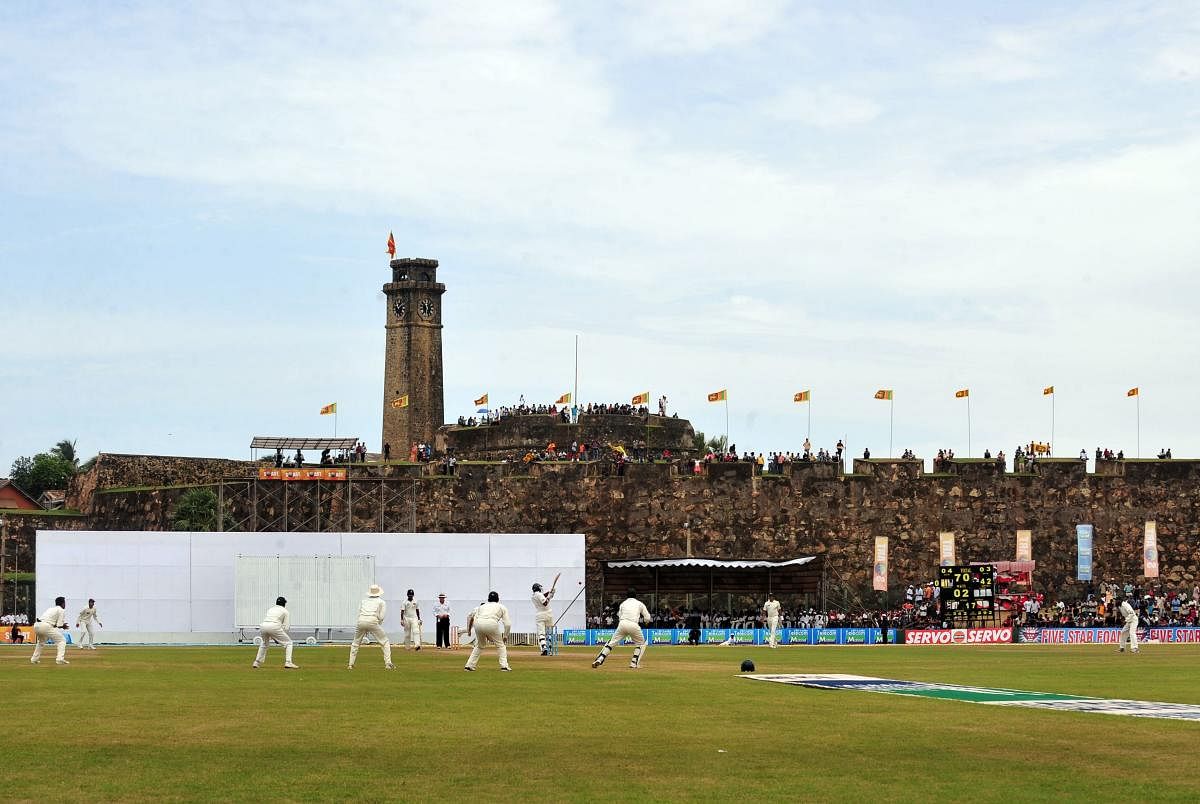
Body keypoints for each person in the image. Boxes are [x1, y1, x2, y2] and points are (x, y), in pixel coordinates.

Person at [592, 589, 651, 670]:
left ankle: (600, 658)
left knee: (611, 643)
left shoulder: (623, 604)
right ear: (635, 595)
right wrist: (646, 622)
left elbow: (619, 615)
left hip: (622, 624)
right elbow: (647, 617)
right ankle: (634, 663)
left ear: (627, 596)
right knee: (641, 644)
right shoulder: (640, 604)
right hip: (633, 624)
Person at [349, 584, 394, 670]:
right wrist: (376, 623)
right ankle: (388, 663)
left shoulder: (363, 601)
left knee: (355, 643)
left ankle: (350, 664)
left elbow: (359, 613)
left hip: (361, 621)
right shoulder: (381, 602)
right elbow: (381, 617)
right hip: (372, 621)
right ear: (379, 592)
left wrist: (364, 626)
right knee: (385, 642)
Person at [464, 591, 511, 671]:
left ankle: (469, 665)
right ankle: (504, 666)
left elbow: (471, 617)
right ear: (498, 599)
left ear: (488, 599)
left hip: (478, 623)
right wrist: (505, 636)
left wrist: (469, 630)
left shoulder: (481, 607)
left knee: (480, 645)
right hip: (491, 623)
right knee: (500, 645)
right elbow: (507, 624)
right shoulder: (501, 607)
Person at [253, 596, 299, 669]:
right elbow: (286, 627)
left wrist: (276, 638)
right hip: (274, 626)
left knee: (264, 644)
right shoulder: (285, 611)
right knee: (289, 643)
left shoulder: (270, 609)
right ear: (284, 604)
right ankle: (288, 662)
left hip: (263, 626)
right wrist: (279, 638)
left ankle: (256, 662)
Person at [31, 595, 70, 665]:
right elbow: (59, 625)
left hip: (37, 625)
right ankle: (60, 659)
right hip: (45, 626)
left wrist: (60, 626)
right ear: (62, 603)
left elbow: (51, 623)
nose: (65, 604)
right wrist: (63, 626)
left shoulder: (50, 609)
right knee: (62, 640)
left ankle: (34, 659)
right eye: (64, 603)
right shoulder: (61, 610)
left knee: (41, 642)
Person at [531, 581, 555, 656]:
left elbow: (543, 596)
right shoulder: (539, 594)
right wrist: (549, 596)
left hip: (539, 615)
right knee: (549, 631)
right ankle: (550, 648)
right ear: (538, 588)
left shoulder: (533, 596)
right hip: (548, 613)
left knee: (541, 633)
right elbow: (545, 603)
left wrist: (550, 592)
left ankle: (544, 647)